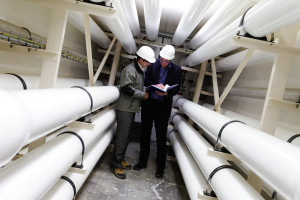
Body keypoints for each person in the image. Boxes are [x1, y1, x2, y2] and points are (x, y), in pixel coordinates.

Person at [133, 45, 181, 178]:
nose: (163, 62)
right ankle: (142, 161)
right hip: (149, 105)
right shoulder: (153, 65)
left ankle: (160, 167)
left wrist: (167, 93)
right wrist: (155, 86)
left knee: (161, 137)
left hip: (163, 107)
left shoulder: (176, 70)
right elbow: (146, 80)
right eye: (162, 59)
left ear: (171, 60)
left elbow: (177, 87)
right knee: (145, 133)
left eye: (166, 61)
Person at [111, 46, 156, 179]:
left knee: (126, 137)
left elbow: (135, 86)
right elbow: (125, 88)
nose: (148, 64)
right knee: (121, 137)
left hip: (131, 108)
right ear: (141, 60)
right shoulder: (129, 70)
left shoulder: (140, 71)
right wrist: (142, 95)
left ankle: (120, 159)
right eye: (147, 61)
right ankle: (116, 165)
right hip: (125, 108)